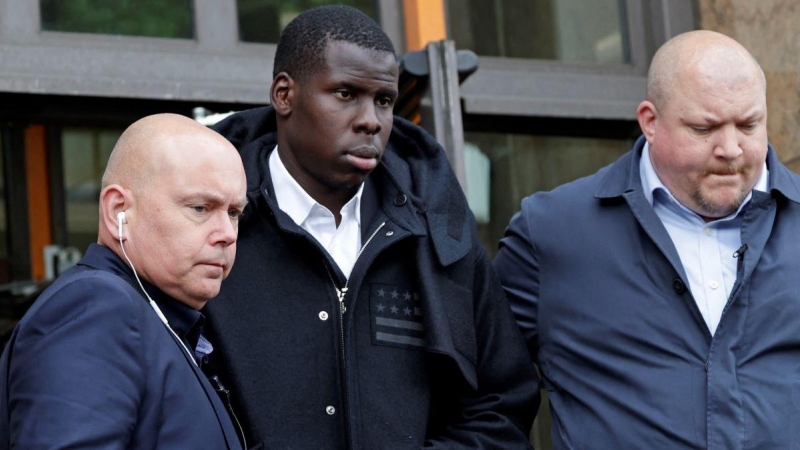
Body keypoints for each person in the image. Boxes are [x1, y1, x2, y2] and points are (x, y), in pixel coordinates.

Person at [202, 4, 538, 449]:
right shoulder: (210, 227)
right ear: (285, 95)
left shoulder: (440, 232)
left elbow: (502, 403)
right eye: (345, 93)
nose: (371, 120)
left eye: (384, 100)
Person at [493, 29, 800, 448]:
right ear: (650, 122)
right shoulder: (551, 233)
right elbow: (478, 397)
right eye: (704, 128)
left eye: (748, 124)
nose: (731, 148)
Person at [0, 114, 248, 449]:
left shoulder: (155, 315)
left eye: (234, 213)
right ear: (119, 210)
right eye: (201, 207)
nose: (227, 235)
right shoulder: (95, 307)